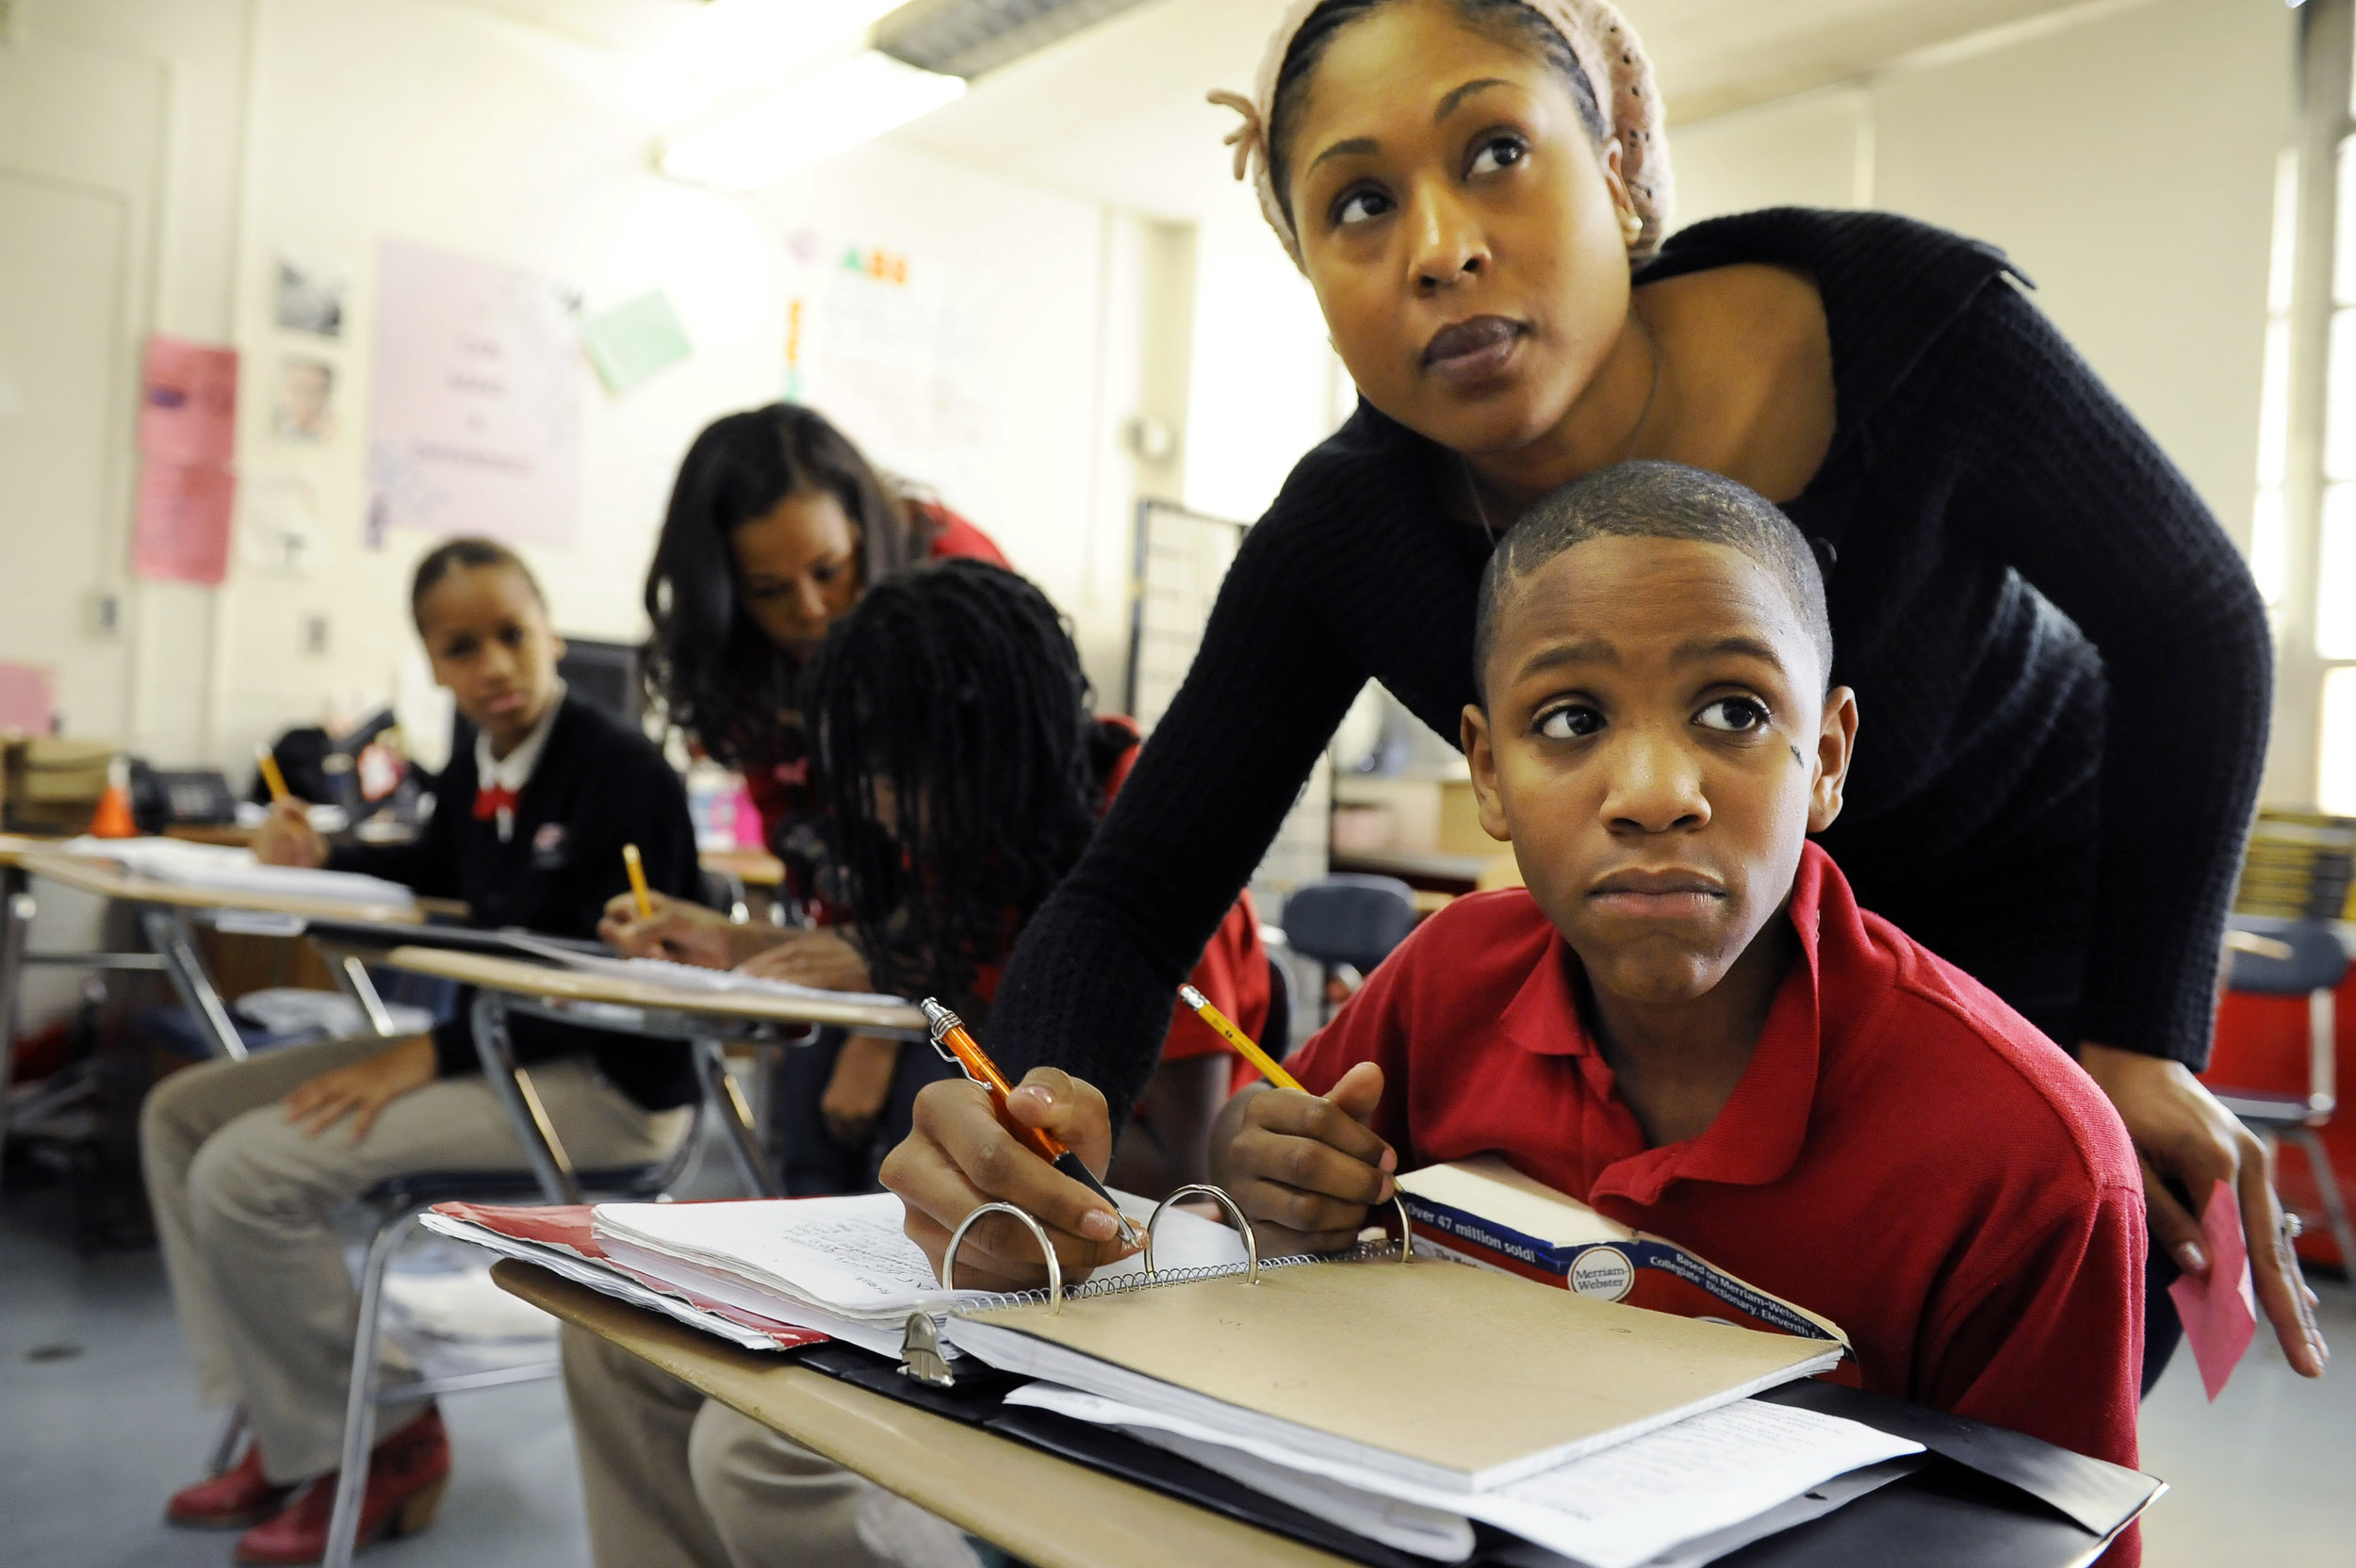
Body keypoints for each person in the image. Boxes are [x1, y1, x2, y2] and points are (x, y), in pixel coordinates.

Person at [884, 0, 2322, 1386]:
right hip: (1700, 991)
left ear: (1620, 161)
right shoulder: (1349, 530)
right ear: (1311, 276)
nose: (1440, 249)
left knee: (2000, 1370)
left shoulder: (1901, 328)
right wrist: (1039, 1104)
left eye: (1495, 152)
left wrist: (2144, 1036)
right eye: (1360, 205)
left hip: (2027, 928)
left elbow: (2193, 621)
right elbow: (1141, 891)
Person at [567, 559, 1268, 1568]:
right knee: (606, 1327)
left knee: (758, 1449)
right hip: (955, 1242)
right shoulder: (980, 839)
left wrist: (991, 1125)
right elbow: (915, 954)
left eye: (900, 780)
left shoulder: (1150, 857)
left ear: (988, 755)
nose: (885, 813)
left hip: (1110, 1269)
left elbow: (1167, 1168)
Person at [142, 538, 703, 1564]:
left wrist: (428, 1053)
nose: (492, 663)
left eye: (510, 635)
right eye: (461, 647)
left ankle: (388, 1436)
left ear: (551, 633)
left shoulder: (623, 774)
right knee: (177, 1115)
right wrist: (329, 850)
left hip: (605, 1083)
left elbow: (623, 985)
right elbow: (433, 859)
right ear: (433, 665)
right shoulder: (479, 770)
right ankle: (290, 1427)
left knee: (244, 1169)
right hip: (490, 1054)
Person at [621, 403, 1010, 1181]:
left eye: (829, 570)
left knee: (913, 1151)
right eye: (768, 590)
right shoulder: (748, 660)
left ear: (866, 526)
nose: (809, 609)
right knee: (803, 1149)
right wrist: (743, 945)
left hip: (982, 950)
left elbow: (994, 841)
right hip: (880, 946)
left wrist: (885, 1012)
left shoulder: (953, 582)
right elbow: (801, 831)